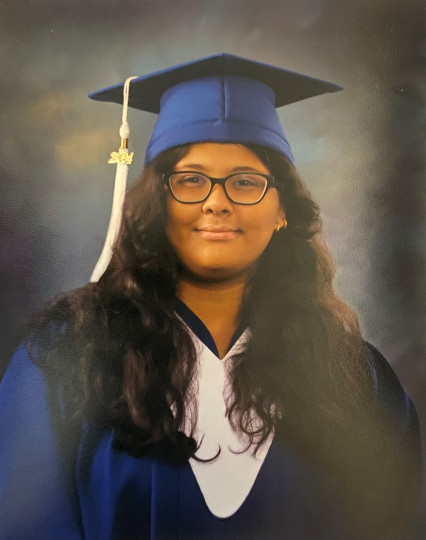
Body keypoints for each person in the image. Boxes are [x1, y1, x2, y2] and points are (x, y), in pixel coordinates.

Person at [0, 53, 421, 540]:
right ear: (158, 204)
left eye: (246, 181)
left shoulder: (353, 374)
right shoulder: (65, 359)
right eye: (190, 180)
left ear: (281, 208)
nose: (216, 201)